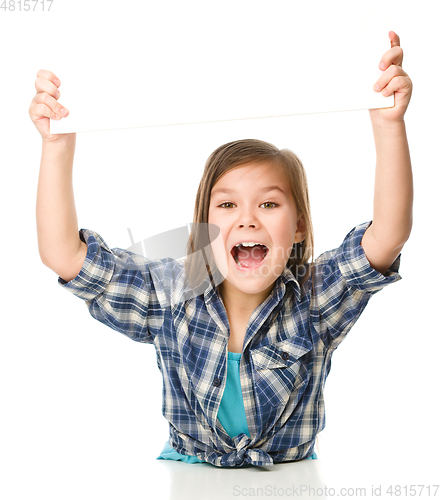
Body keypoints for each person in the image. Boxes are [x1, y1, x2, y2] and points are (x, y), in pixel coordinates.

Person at [29, 31, 413, 468]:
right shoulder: (172, 293)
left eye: (268, 204)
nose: (248, 218)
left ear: (300, 226)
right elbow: (64, 256)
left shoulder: (315, 299)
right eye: (228, 204)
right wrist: (56, 145)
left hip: (287, 481)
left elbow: (388, 234)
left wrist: (389, 125)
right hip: (190, 477)